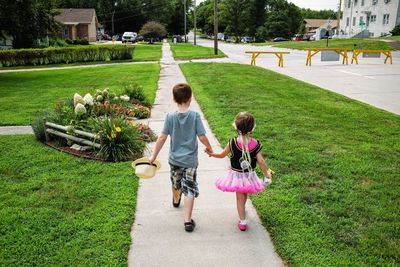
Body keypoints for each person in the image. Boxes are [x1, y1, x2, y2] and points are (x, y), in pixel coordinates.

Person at [149, 83, 213, 232]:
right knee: (189, 188)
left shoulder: (170, 117)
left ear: (173, 99)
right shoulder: (195, 116)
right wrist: (209, 147)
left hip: (175, 160)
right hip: (190, 161)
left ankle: (176, 198)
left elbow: (162, 138)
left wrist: (153, 156)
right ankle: (187, 221)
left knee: (175, 182)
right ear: (190, 99)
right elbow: (202, 136)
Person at [206, 112, 273, 231]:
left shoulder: (232, 143)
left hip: (236, 176)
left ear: (236, 127)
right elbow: (261, 161)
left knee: (240, 198)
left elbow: (222, 155)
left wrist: (212, 154)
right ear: (252, 128)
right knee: (244, 194)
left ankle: (242, 222)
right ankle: (242, 213)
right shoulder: (255, 144)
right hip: (249, 176)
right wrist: (266, 175)